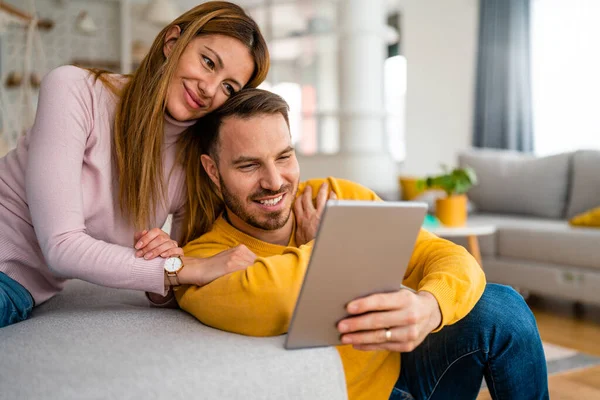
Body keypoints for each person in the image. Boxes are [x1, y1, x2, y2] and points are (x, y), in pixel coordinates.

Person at [174, 89, 549, 400]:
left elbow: (447, 256)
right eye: (248, 166)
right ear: (213, 170)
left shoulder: (335, 196)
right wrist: (322, 246)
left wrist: (428, 307)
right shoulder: (205, 260)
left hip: (406, 371)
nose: (275, 181)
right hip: (342, 393)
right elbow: (277, 297)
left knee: (502, 306)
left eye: (284, 157)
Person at [0, 1, 269, 328]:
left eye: (229, 87)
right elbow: (61, 246)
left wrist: (167, 256)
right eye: (208, 62)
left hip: (10, 285)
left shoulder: (194, 167)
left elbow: (169, 295)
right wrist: (186, 267)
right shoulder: (74, 90)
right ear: (172, 43)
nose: (209, 89)